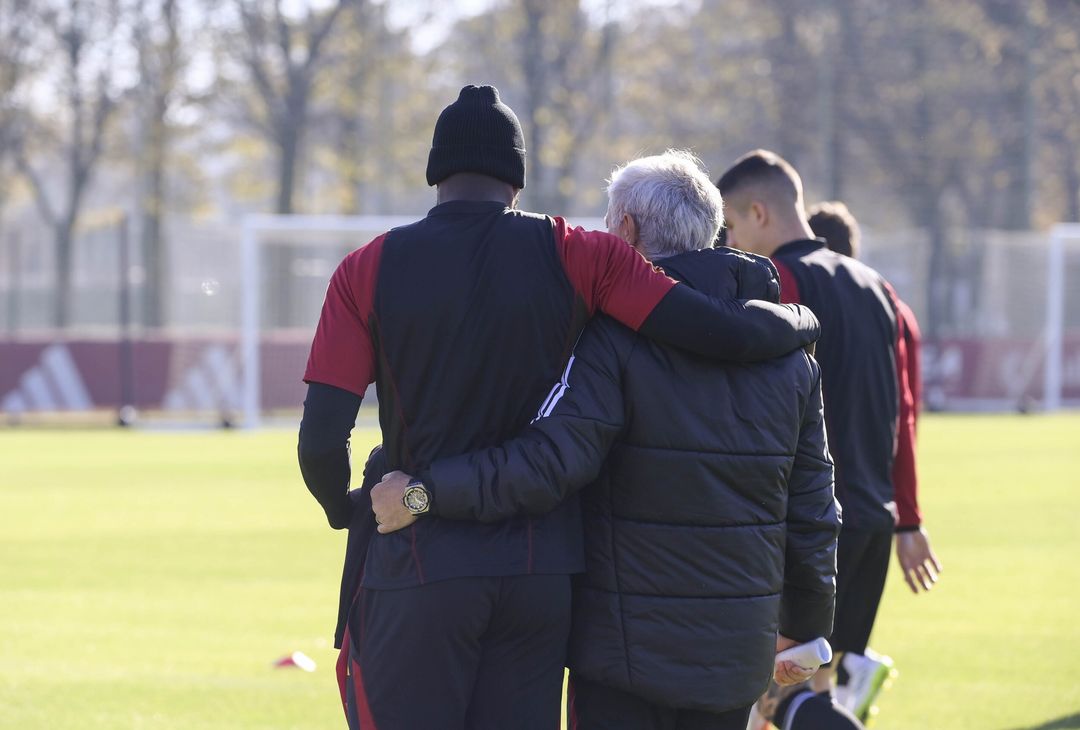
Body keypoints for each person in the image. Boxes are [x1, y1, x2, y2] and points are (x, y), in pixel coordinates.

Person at [298, 87, 821, 730]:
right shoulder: (582, 254)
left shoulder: (364, 268)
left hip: (419, 562)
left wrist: (345, 507)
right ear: (516, 181)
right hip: (539, 573)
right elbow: (714, 328)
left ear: (435, 174)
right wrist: (794, 324)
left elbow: (322, 443)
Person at [717, 150, 942, 729]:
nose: (732, 239)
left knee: (769, 700)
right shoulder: (881, 289)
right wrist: (907, 519)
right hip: (869, 523)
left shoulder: (778, 281)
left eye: (733, 225)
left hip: (805, 528)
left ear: (759, 213)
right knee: (815, 694)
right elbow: (905, 413)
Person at [808, 199, 928, 718]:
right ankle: (849, 681)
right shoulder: (892, 304)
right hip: (874, 504)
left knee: (791, 663)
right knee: (815, 664)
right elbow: (906, 416)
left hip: (824, 508)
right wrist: (906, 516)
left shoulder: (821, 300)